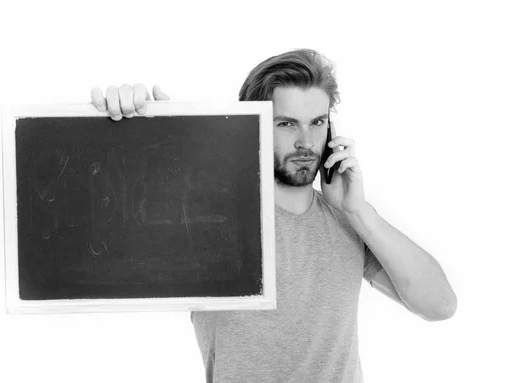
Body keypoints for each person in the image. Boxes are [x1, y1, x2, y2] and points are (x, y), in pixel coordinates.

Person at [91, 48, 457, 383]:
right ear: (253, 124)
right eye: (286, 123)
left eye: (317, 123)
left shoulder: (350, 220)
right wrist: (137, 127)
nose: (305, 141)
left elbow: (440, 305)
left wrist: (359, 211)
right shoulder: (208, 216)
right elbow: (118, 228)